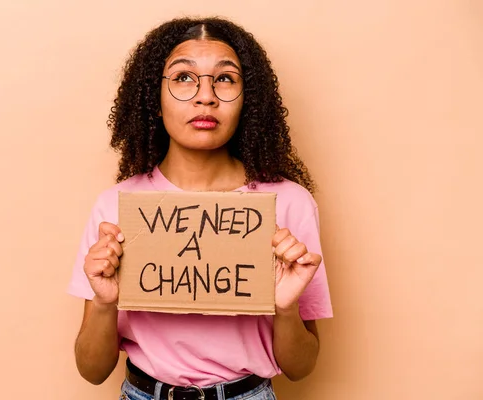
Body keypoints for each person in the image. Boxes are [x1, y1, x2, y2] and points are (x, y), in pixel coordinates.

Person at [68, 16, 333, 400]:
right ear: (153, 101)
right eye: (183, 78)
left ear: (248, 101)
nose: (205, 96)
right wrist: (106, 304)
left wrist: (286, 309)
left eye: (224, 79)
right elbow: (91, 371)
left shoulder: (290, 203)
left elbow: (301, 367)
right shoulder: (117, 207)